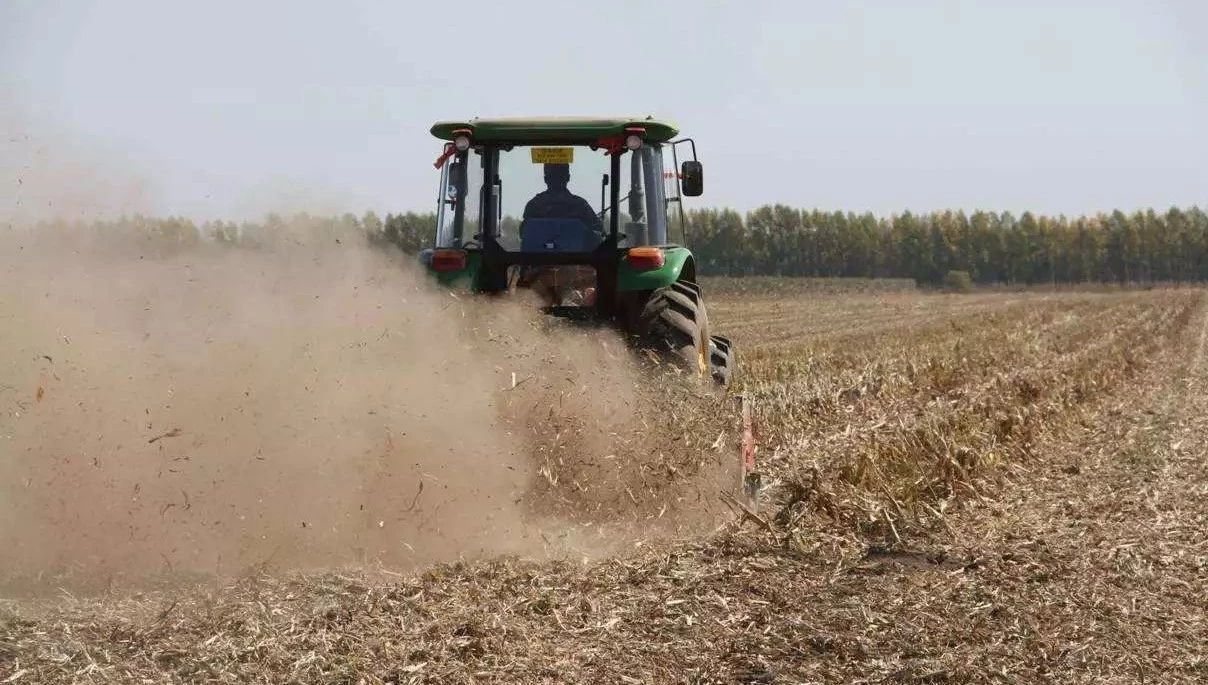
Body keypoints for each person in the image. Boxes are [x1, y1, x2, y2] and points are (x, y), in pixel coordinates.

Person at [522, 163, 603, 235]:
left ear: (545, 179)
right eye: (555, 176)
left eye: (558, 176)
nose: (556, 180)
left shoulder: (534, 205)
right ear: (568, 177)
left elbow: (523, 233)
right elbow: (598, 233)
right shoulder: (580, 205)